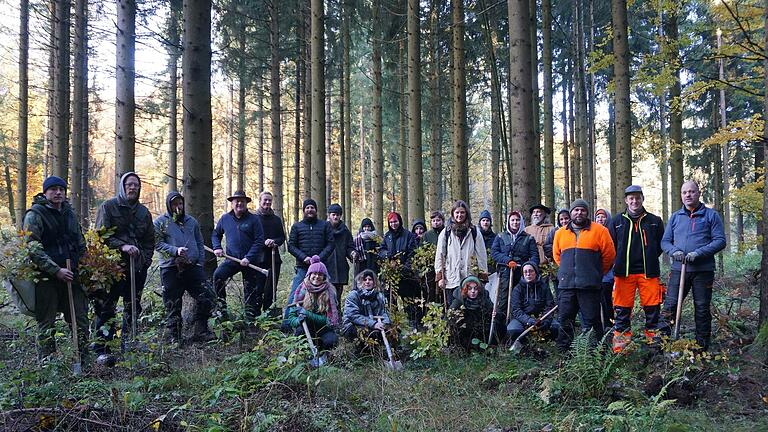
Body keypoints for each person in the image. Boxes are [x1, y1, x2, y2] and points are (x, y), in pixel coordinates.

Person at [23, 176, 88, 360]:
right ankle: (48, 364)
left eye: (61, 189)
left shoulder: (69, 213)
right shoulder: (34, 214)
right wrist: (56, 270)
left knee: (80, 319)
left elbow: (79, 241)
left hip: (72, 275)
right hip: (46, 278)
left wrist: (83, 265)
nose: (58, 192)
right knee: (46, 323)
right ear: (45, 192)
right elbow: (33, 248)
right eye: (53, 189)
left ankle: (83, 359)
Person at [660, 181, 726, 351]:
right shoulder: (675, 217)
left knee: (702, 308)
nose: (688, 195)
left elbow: (720, 241)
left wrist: (699, 253)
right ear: (681, 195)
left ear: (698, 193)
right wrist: (674, 251)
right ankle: (663, 343)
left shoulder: (711, 215)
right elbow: (665, 241)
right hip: (678, 270)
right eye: (684, 192)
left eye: (691, 191)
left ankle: (701, 347)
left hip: (702, 271)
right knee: (670, 306)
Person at [93, 172, 154, 355]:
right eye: (129, 184)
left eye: (135, 185)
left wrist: (145, 261)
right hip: (113, 268)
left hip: (137, 268)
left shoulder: (144, 213)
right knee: (107, 306)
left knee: (133, 306)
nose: (132, 188)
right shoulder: (109, 207)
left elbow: (150, 240)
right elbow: (100, 236)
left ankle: (130, 344)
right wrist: (123, 247)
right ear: (123, 186)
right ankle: (103, 347)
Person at [607, 185, 665, 353]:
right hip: (623, 273)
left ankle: (653, 343)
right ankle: (621, 347)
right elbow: (611, 246)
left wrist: (651, 256)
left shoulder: (655, 221)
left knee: (653, 308)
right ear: (626, 200)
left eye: (637, 198)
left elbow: (661, 244)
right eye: (631, 198)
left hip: (649, 272)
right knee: (622, 309)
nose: (634, 201)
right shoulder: (616, 222)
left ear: (642, 199)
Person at [553, 199, 616, 352]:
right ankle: (564, 354)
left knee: (591, 322)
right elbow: (557, 256)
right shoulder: (560, 233)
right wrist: (568, 272)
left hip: (589, 286)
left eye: (582, 210)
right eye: (576, 210)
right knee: (565, 321)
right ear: (571, 213)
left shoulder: (600, 231)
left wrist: (596, 272)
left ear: (587, 213)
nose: (579, 213)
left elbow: (609, 255)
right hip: (566, 286)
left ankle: (594, 355)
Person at [154, 191, 215, 344]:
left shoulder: (191, 222)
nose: (178, 207)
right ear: (169, 205)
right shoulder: (161, 222)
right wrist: (175, 251)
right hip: (170, 268)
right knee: (172, 303)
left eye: (180, 203)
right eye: (174, 204)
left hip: (192, 267)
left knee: (208, 296)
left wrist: (200, 261)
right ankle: (176, 336)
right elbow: (157, 244)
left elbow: (200, 243)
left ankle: (200, 330)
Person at [212, 190, 265, 320]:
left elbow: (259, 240)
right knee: (218, 276)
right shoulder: (225, 218)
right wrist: (217, 247)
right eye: (237, 201)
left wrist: (249, 257)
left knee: (250, 290)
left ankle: (250, 319)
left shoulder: (254, 219)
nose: (239, 203)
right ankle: (222, 311)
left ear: (246, 203)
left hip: (250, 262)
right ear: (232, 203)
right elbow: (215, 234)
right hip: (232, 260)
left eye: (242, 201)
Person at [285, 256, 339, 362]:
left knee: (331, 340)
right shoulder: (301, 289)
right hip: (306, 329)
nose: (317, 276)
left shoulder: (330, 292)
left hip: (323, 329)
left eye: (320, 274)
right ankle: (304, 356)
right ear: (309, 275)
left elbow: (328, 321)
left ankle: (324, 356)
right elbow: (291, 317)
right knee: (299, 333)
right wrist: (298, 320)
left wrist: (308, 314)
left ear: (324, 277)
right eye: (314, 273)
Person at [435, 201, 488, 305]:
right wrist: (440, 277)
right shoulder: (446, 232)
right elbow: (440, 255)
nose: (459, 215)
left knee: (469, 309)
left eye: (462, 212)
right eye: (457, 212)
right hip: (451, 277)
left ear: (466, 213)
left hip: (470, 277)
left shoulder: (474, 231)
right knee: (453, 308)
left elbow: (481, 255)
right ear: (453, 214)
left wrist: (482, 276)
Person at [490, 210, 538, 322]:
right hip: (505, 275)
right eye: (512, 220)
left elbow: (535, 256)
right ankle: (501, 327)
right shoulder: (501, 236)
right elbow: (494, 252)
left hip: (522, 275)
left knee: (520, 300)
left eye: (517, 220)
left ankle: (518, 324)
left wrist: (530, 268)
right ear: (508, 222)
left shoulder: (529, 238)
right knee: (503, 301)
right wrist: (507, 261)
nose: (515, 222)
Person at [287, 199, 334, 307]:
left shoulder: (325, 225)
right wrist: (304, 258)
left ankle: (329, 320)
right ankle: (288, 322)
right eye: (307, 208)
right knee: (295, 293)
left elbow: (331, 244)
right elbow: (291, 246)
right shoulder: (296, 226)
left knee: (328, 293)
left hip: (321, 268)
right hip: (302, 267)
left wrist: (319, 258)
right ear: (304, 210)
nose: (310, 210)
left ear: (316, 210)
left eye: (312, 207)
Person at [507, 262, 559, 344]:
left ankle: (548, 343)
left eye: (531, 271)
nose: (528, 274)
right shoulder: (518, 289)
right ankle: (524, 344)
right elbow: (516, 310)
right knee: (513, 329)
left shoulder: (544, 287)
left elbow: (550, 306)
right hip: (523, 319)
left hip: (541, 318)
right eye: (525, 272)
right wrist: (529, 320)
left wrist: (546, 321)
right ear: (523, 274)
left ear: (536, 272)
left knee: (556, 327)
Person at [253, 191, 286, 311]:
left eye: (269, 200)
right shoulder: (253, 218)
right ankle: (256, 318)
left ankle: (268, 316)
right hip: (258, 260)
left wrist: (274, 241)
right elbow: (251, 238)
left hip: (273, 259)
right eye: (265, 200)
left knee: (271, 289)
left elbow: (282, 238)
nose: (267, 202)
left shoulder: (276, 220)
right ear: (260, 201)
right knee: (258, 288)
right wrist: (263, 242)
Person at [449, 276, 503, 349]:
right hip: (465, 333)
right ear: (465, 290)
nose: (473, 291)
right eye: (469, 289)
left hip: (481, 330)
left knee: (500, 325)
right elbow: (449, 319)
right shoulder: (458, 302)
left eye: (475, 288)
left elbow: (495, 310)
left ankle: (491, 346)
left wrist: (495, 313)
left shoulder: (484, 298)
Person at [342, 269, 391, 344]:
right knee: (363, 333)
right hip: (354, 325)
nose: (367, 282)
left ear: (374, 282)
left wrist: (385, 323)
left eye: (370, 279)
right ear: (360, 282)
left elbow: (383, 312)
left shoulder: (379, 296)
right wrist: (373, 324)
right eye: (365, 280)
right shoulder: (353, 295)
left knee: (390, 331)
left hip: (373, 323)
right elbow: (353, 315)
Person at [326, 203, 355, 308]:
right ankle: (327, 316)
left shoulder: (345, 231)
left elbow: (350, 246)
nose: (335, 217)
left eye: (338, 215)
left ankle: (337, 314)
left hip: (341, 266)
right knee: (327, 294)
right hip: (326, 266)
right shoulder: (323, 229)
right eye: (333, 214)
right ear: (329, 215)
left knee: (338, 293)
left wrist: (352, 253)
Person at [594, 208, 614, 328]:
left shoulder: (612, 232)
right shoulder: (593, 232)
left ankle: (609, 323)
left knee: (606, 298)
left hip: (608, 272)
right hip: (594, 271)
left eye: (603, 217)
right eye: (598, 217)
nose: (600, 219)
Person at [544, 209, 571, 298]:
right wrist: (557, 253)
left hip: (572, 266)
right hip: (557, 265)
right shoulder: (554, 231)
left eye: (566, 218)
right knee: (559, 290)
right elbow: (547, 246)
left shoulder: (574, 230)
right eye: (561, 219)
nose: (564, 221)